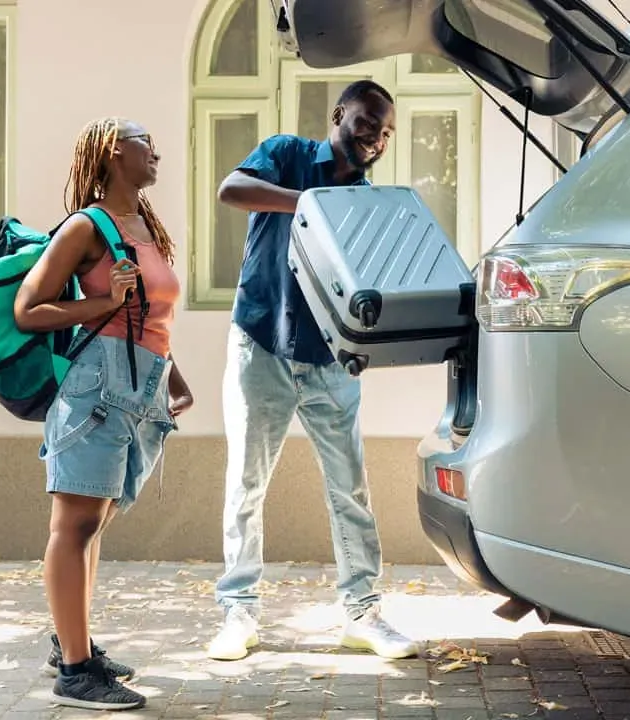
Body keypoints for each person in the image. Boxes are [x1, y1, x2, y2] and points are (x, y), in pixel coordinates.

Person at [207, 80, 418, 662]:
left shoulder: (368, 200)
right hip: (262, 346)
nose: (376, 137)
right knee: (247, 486)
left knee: (350, 488)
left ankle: (361, 613)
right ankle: (238, 612)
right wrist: (307, 200)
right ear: (339, 116)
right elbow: (232, 189)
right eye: (368, 122)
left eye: (386, 131)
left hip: (332, 361)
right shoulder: (286, 155)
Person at [14, 117, 193, 711]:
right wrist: (102, 301)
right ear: (116, 152)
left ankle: (74, 643)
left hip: (141, 388)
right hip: (95, 391)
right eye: (148, 144)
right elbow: (28, 308)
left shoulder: (144, 225)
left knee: (96, 523)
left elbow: (151, 312)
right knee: (76, 526)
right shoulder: (86, 226)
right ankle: (74, 672)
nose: (157, 153)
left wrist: (175, 376)